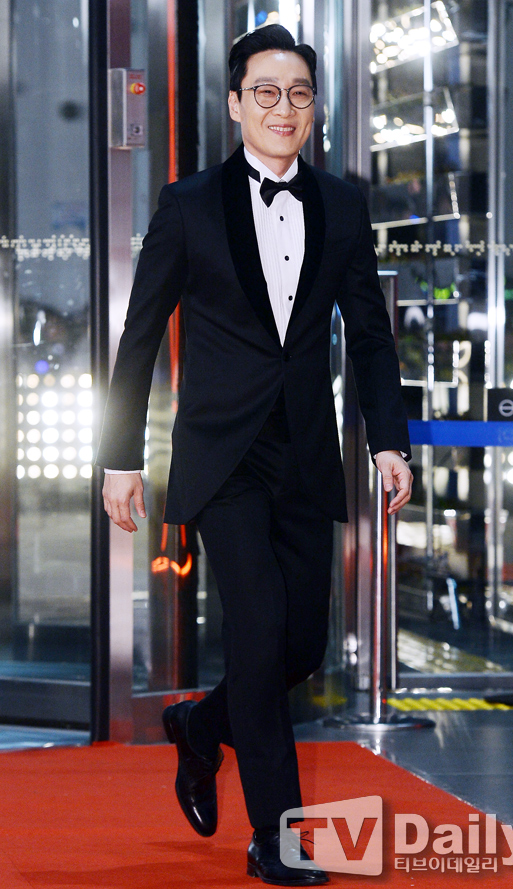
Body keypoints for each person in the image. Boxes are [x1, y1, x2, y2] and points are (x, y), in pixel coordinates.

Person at [96, 24, 413, 887]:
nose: (284, 108)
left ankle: (200, 727)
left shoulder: (342, 206)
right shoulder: (188, 204)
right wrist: (119, 455)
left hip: (305, 451)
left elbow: (370, 337)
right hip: (221, 456)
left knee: (301, 646)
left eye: (299, 93)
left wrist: (389, 439)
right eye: (266, 92)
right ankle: (278, 837)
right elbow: (139, 335)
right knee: (261, 632)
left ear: (314, 109)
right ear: (235, 104)